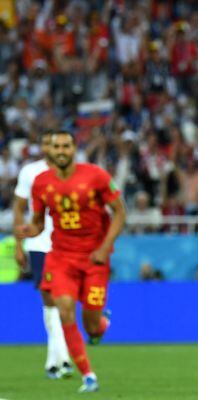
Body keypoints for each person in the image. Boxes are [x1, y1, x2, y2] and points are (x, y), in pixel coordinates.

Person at [17, 131, 126, 393]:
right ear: (50, 151)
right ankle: (88, 376)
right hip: (61, 256)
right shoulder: (41, 182)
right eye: (57, 146)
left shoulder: (96, 176)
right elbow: (39, 223)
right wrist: (28, 232)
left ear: (74, 148)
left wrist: (104, 247)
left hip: (94, 258)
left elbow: (120, 212)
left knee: (92, 326)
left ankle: (101, 323)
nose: (62, 150)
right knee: (63, 309)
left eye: (66, 145)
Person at [12, 131, 73, 379]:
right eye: (47, 143)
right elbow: (18, 209)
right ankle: (62, 359)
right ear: (43, 146)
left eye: (57, 144)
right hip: (39, 244)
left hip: (66, 244)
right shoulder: (30, 172)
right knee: (50, 302)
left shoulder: (73, 173)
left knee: (63, 302)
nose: (53, 148)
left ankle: (55, 360)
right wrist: (19, 244)